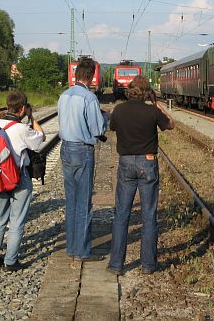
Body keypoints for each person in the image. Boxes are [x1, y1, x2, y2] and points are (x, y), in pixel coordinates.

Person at [107, 76, 174, 275]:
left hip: (126, 163)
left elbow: (112, 127)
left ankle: (116, 265)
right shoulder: (152, 111)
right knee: (149, 215)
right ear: (147, 92)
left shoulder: (119, 110)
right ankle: (148, 265)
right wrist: (157, 104)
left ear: (129, 91)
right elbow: (171, 124)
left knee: (121, 214)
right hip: (148, 163)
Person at [0, 91, 45, 271]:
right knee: (17, 221)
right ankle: (10, 262)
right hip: (19, 178)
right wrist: (32, 117)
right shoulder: (22, 129)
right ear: (22, 109)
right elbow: (40, 138)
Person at [58, 58, 108, 261]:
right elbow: (97, 129)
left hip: (66, 148)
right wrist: (106, 120)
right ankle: (82, 251)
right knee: (84, 203)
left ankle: (71, 247)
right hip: (82, 150)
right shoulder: (89, 98)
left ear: (77, 74)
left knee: (71, 200)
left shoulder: (64, 95)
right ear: (92, 75)